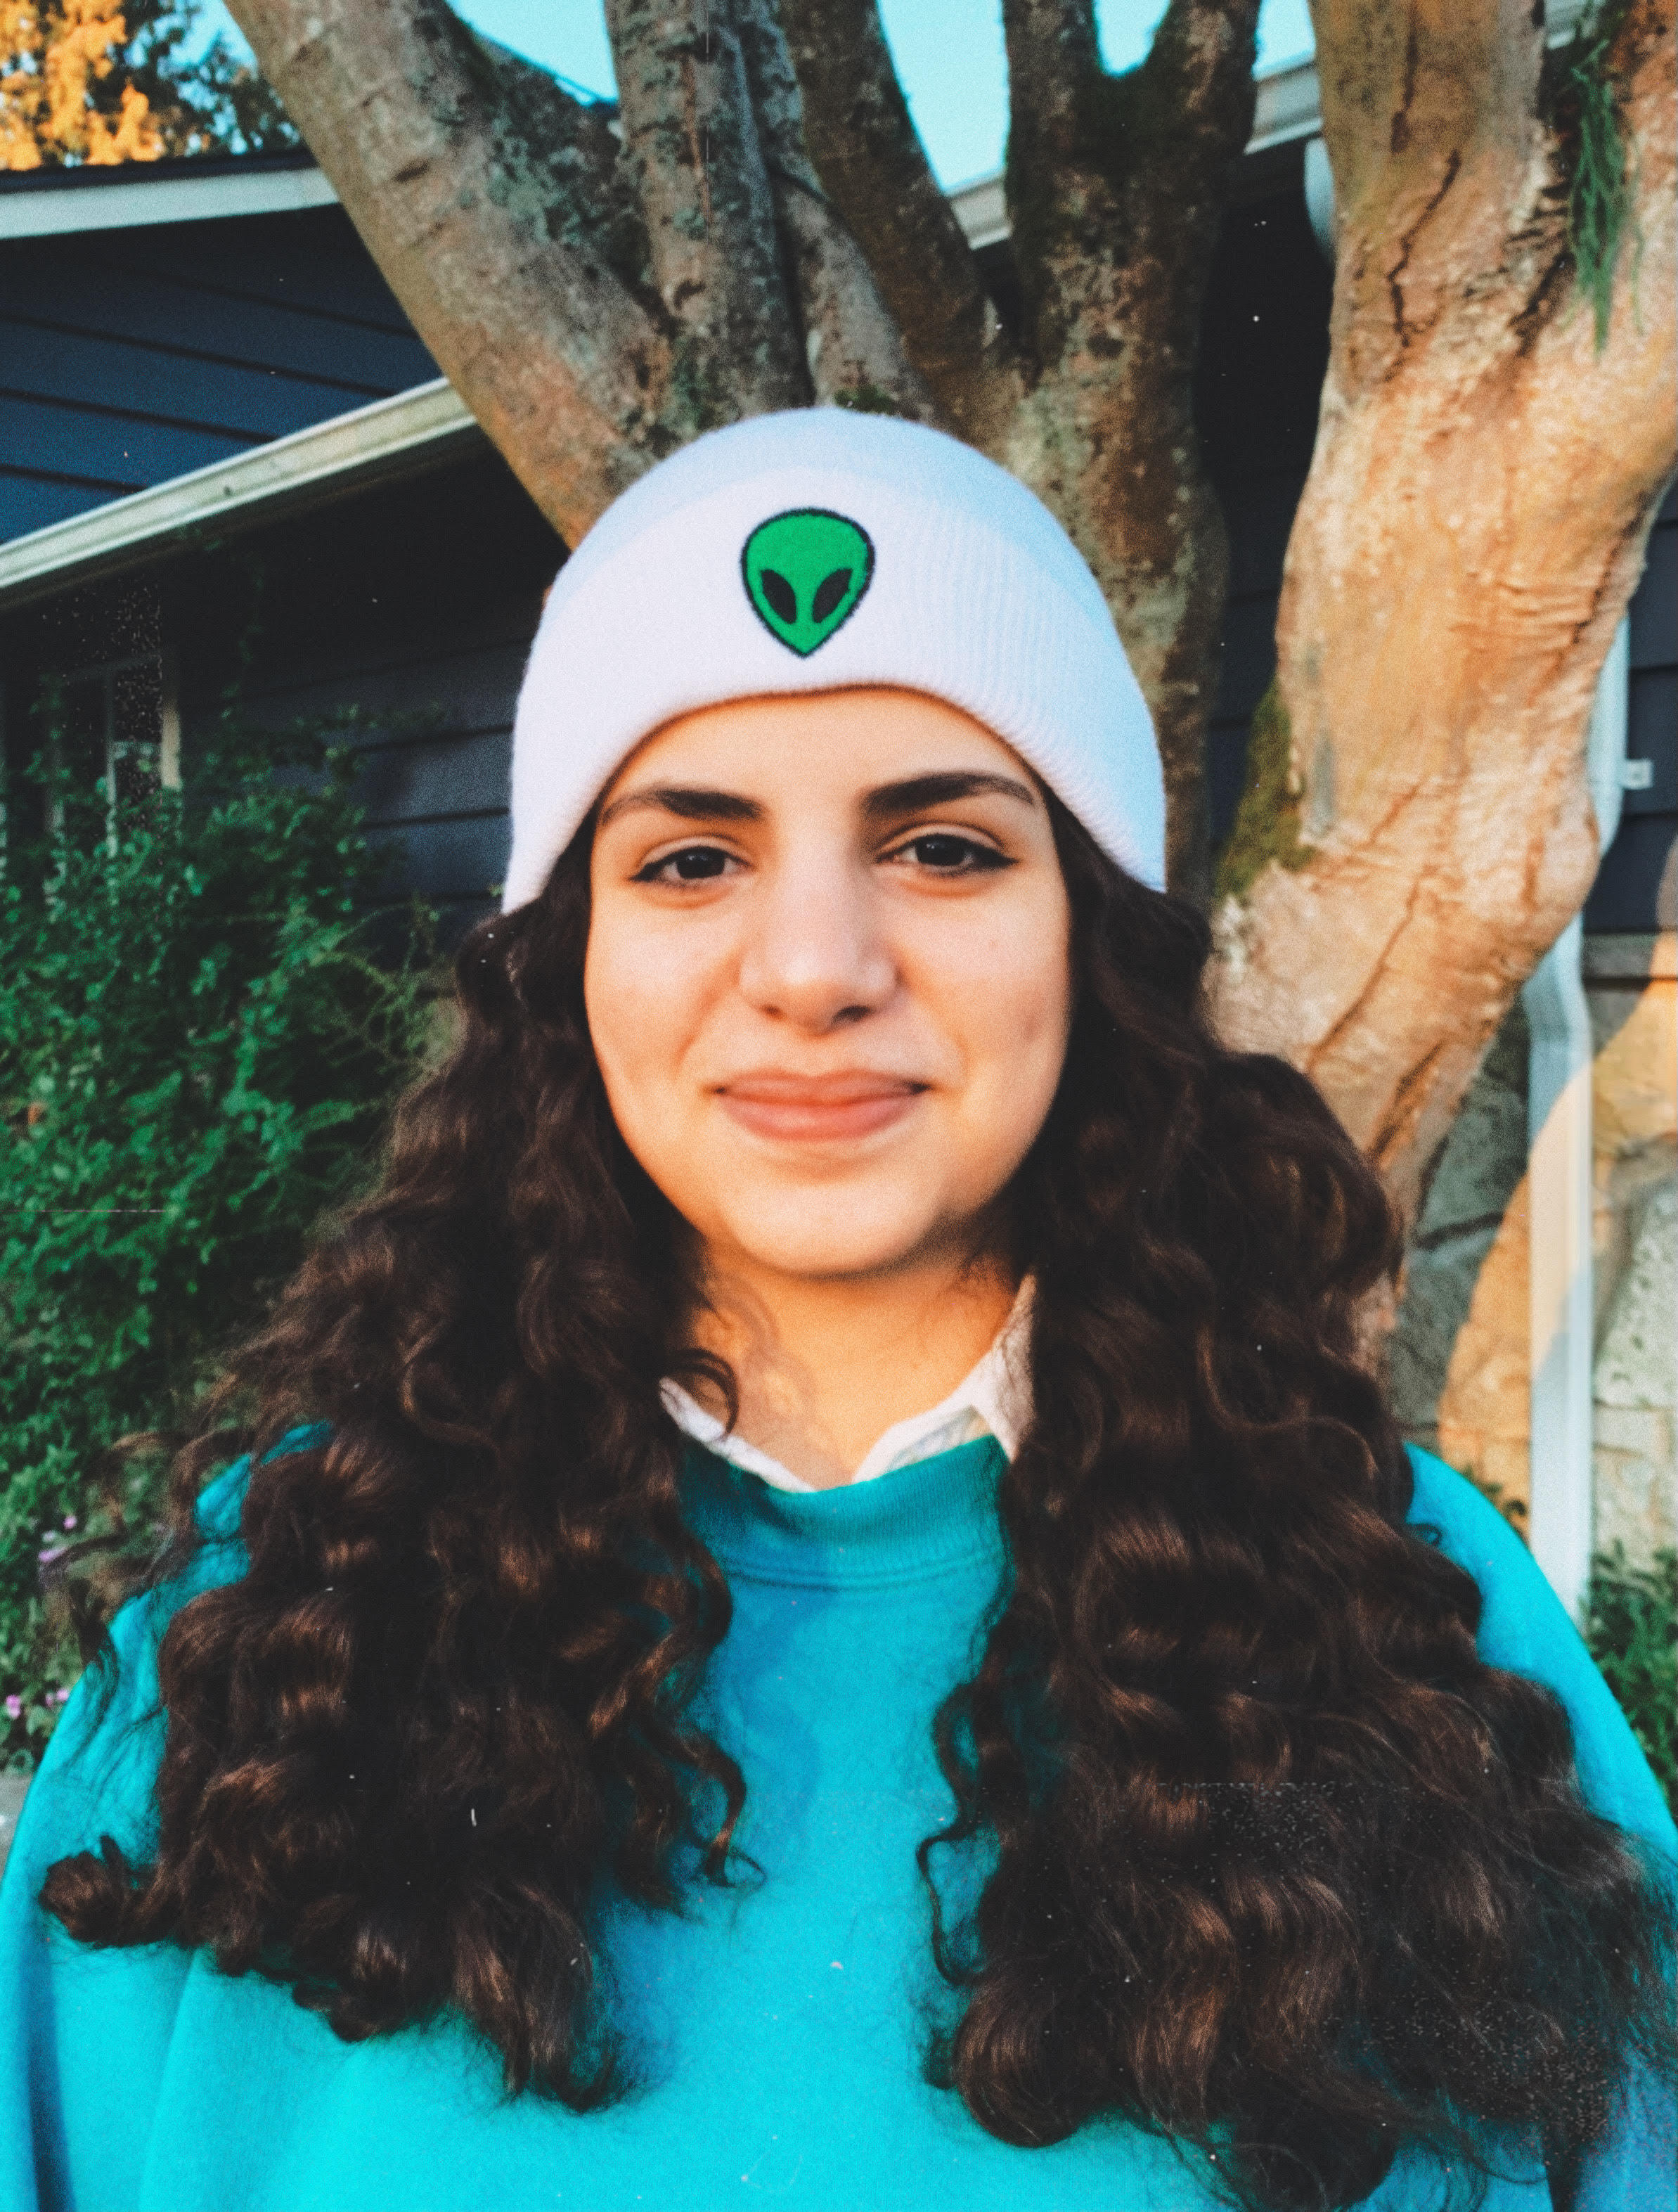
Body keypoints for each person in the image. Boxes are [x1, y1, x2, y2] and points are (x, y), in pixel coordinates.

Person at [0, 411, 1670, 2212]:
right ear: (567, 963)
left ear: (1089, 940)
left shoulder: (1422, 1623)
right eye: (688, 859)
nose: (814, 968)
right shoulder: (260, 1638)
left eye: (943, 847)